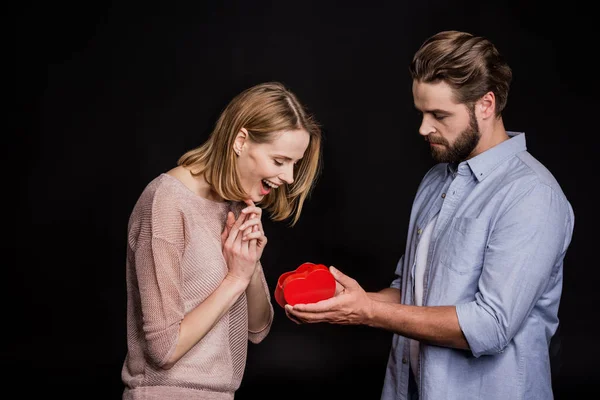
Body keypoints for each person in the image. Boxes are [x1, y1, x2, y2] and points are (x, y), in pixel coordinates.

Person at [285, 30, 574, 400]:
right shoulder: (437, 179)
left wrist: (367, 312)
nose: (424, 128)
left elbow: (490, 326)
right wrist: (348, 301)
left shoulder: (532, 195)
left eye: (439, 115)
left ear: (486, 105)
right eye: (421, 113)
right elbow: (412, 291)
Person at [121, 81, 323, 399]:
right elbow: (164, 349)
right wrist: (235, 278)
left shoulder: (235, 205)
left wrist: (250, 264)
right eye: (280, 161)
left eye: (294, 164)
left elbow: (258, 330)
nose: (288, 178)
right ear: (241, 140)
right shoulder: (166, 201)